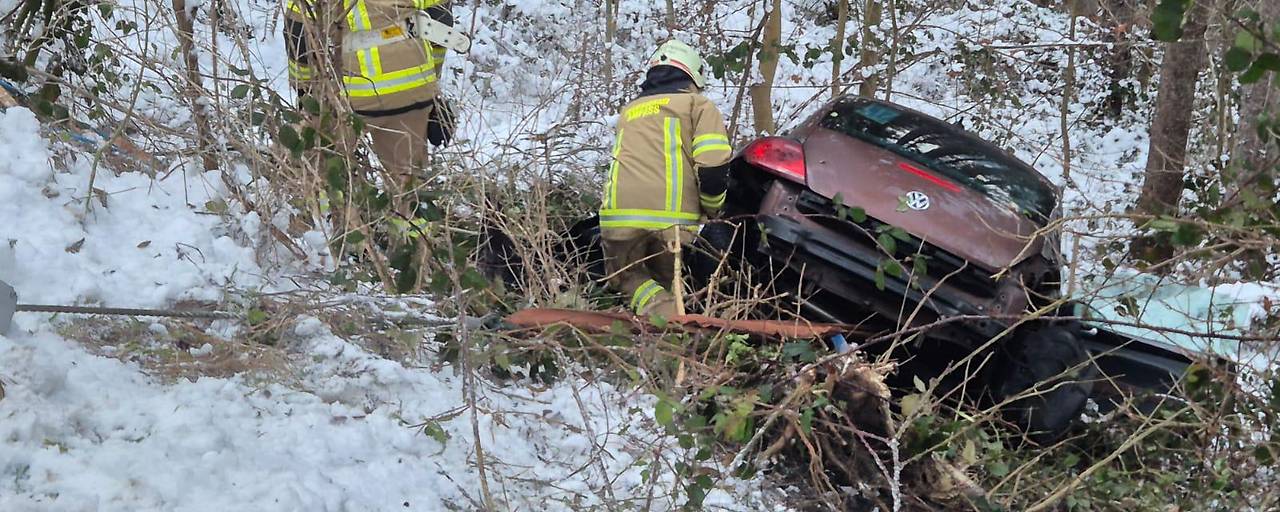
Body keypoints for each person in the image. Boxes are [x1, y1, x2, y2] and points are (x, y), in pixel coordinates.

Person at [599, 39, 733, 318]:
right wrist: (713, 209)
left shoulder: (629, 112)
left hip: (619, 221)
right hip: (671, 224)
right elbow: (712, 167)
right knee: (671, 285)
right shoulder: (697, 105)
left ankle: (658, 317)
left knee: (627, 277)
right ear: (693, 77)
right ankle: (673, 324)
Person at [283, 0, 456, 194]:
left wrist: (305, 92)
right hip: (412, 88)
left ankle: (326, 207)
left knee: (316, 165)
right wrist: (431, 86)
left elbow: (298, 37)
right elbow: (441, 21)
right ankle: (409, 210)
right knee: (407, 184)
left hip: (352, 95)